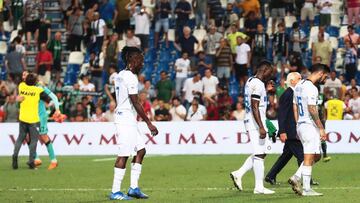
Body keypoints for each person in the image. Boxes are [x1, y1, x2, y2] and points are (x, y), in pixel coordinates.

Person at [110, 46, 158, 200]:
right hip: (125, 120)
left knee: (141, 150)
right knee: (124, 154)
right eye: (140, 60)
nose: (142, 63)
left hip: (127, 118)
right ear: (131, 60)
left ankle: (133, 188)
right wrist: (149, 123)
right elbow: (136, 102)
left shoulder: (120, 74)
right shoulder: (130, 77)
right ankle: (115, 191)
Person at [230, 60, 275, 194]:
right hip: (255, 123)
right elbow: (254, 105)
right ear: (265, 70)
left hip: (254, 121)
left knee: (262, 152)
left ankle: (239, 173)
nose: (270, 75)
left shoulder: (251, 81)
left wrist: (265, 90)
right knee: (259, 154)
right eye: (270, 72)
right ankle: (259, 187)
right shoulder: (258, 84)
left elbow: (256, 100)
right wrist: (261, 126)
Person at [290, 63, 330, 196]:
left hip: (301, 124)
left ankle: (296, 177)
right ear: (320, 73)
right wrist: (321, 128)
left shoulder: (298, 86)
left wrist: (297, 125)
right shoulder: (311, 88)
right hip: (309, 125)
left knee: (315, 155)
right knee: (309, 156)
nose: (325, 80)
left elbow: (295, 107)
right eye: (325, 77)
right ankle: (307, 189)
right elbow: (312, 109)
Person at [264, 72, 303, 185]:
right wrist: (282, 131)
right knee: (303, 155)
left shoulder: (293, 93)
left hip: (292, 130)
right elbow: (282, 114)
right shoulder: (288, 94)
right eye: (299, 78)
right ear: (292, 81)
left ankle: (271, 175)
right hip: (290, 131)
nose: (301, 80)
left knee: (286, 155)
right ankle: (306, 180)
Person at [12, 72, 46, 169]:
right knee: (33, 141)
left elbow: (24, 83)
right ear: (35, 81)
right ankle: (31, 162)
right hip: (33, 120)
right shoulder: (38, 90)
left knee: (20, 138)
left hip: (23, 118)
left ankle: (15, 156)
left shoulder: (21, 86)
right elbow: (47, 99)